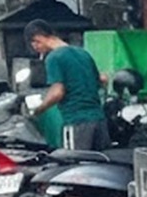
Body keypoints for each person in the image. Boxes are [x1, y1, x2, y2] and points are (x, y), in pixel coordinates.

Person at [25, 20, 109, 151]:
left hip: (76, 121)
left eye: (34, 43)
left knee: (75, 166)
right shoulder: (83, 53)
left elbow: (57, 92)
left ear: (38, 38)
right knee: (99, 165)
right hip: (99, 120)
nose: (35, 48)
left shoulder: (54, 57)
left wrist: (39, 109)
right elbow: (102, 80)